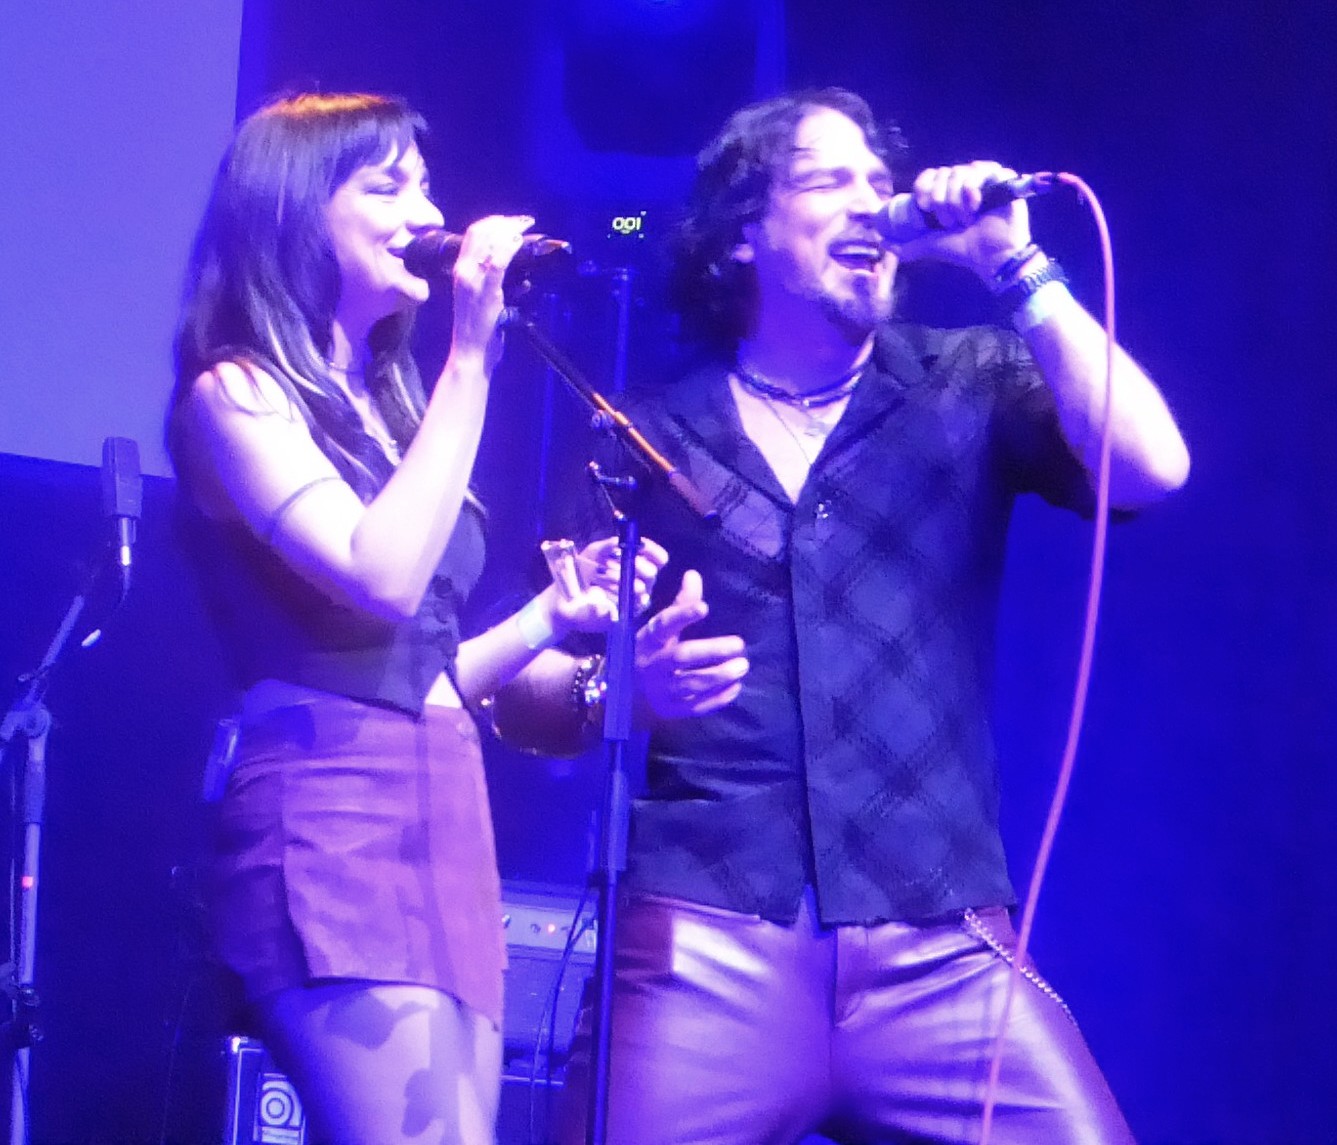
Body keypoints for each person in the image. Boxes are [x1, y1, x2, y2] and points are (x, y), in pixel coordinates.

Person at [532, 87, 1190, 1144]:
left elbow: (1153, 466)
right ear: (743, 235)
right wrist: (626, 690)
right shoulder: (646, 437)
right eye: (826, 181)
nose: (869, 202)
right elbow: (525, 692)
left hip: (939, 938)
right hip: (710, 930)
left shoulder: (964, 379)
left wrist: (1013, 266)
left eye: (878, 183)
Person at [165, 92, 665, 1145]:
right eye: (386, 186)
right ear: (294, 211)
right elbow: (380, 575)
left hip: (444, 802)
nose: (426, 213)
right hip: (329, 806)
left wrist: (549, 616)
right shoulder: (235, 395)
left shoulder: (387, 405)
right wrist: (470, 357)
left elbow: (424, 670)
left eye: (424, 185)